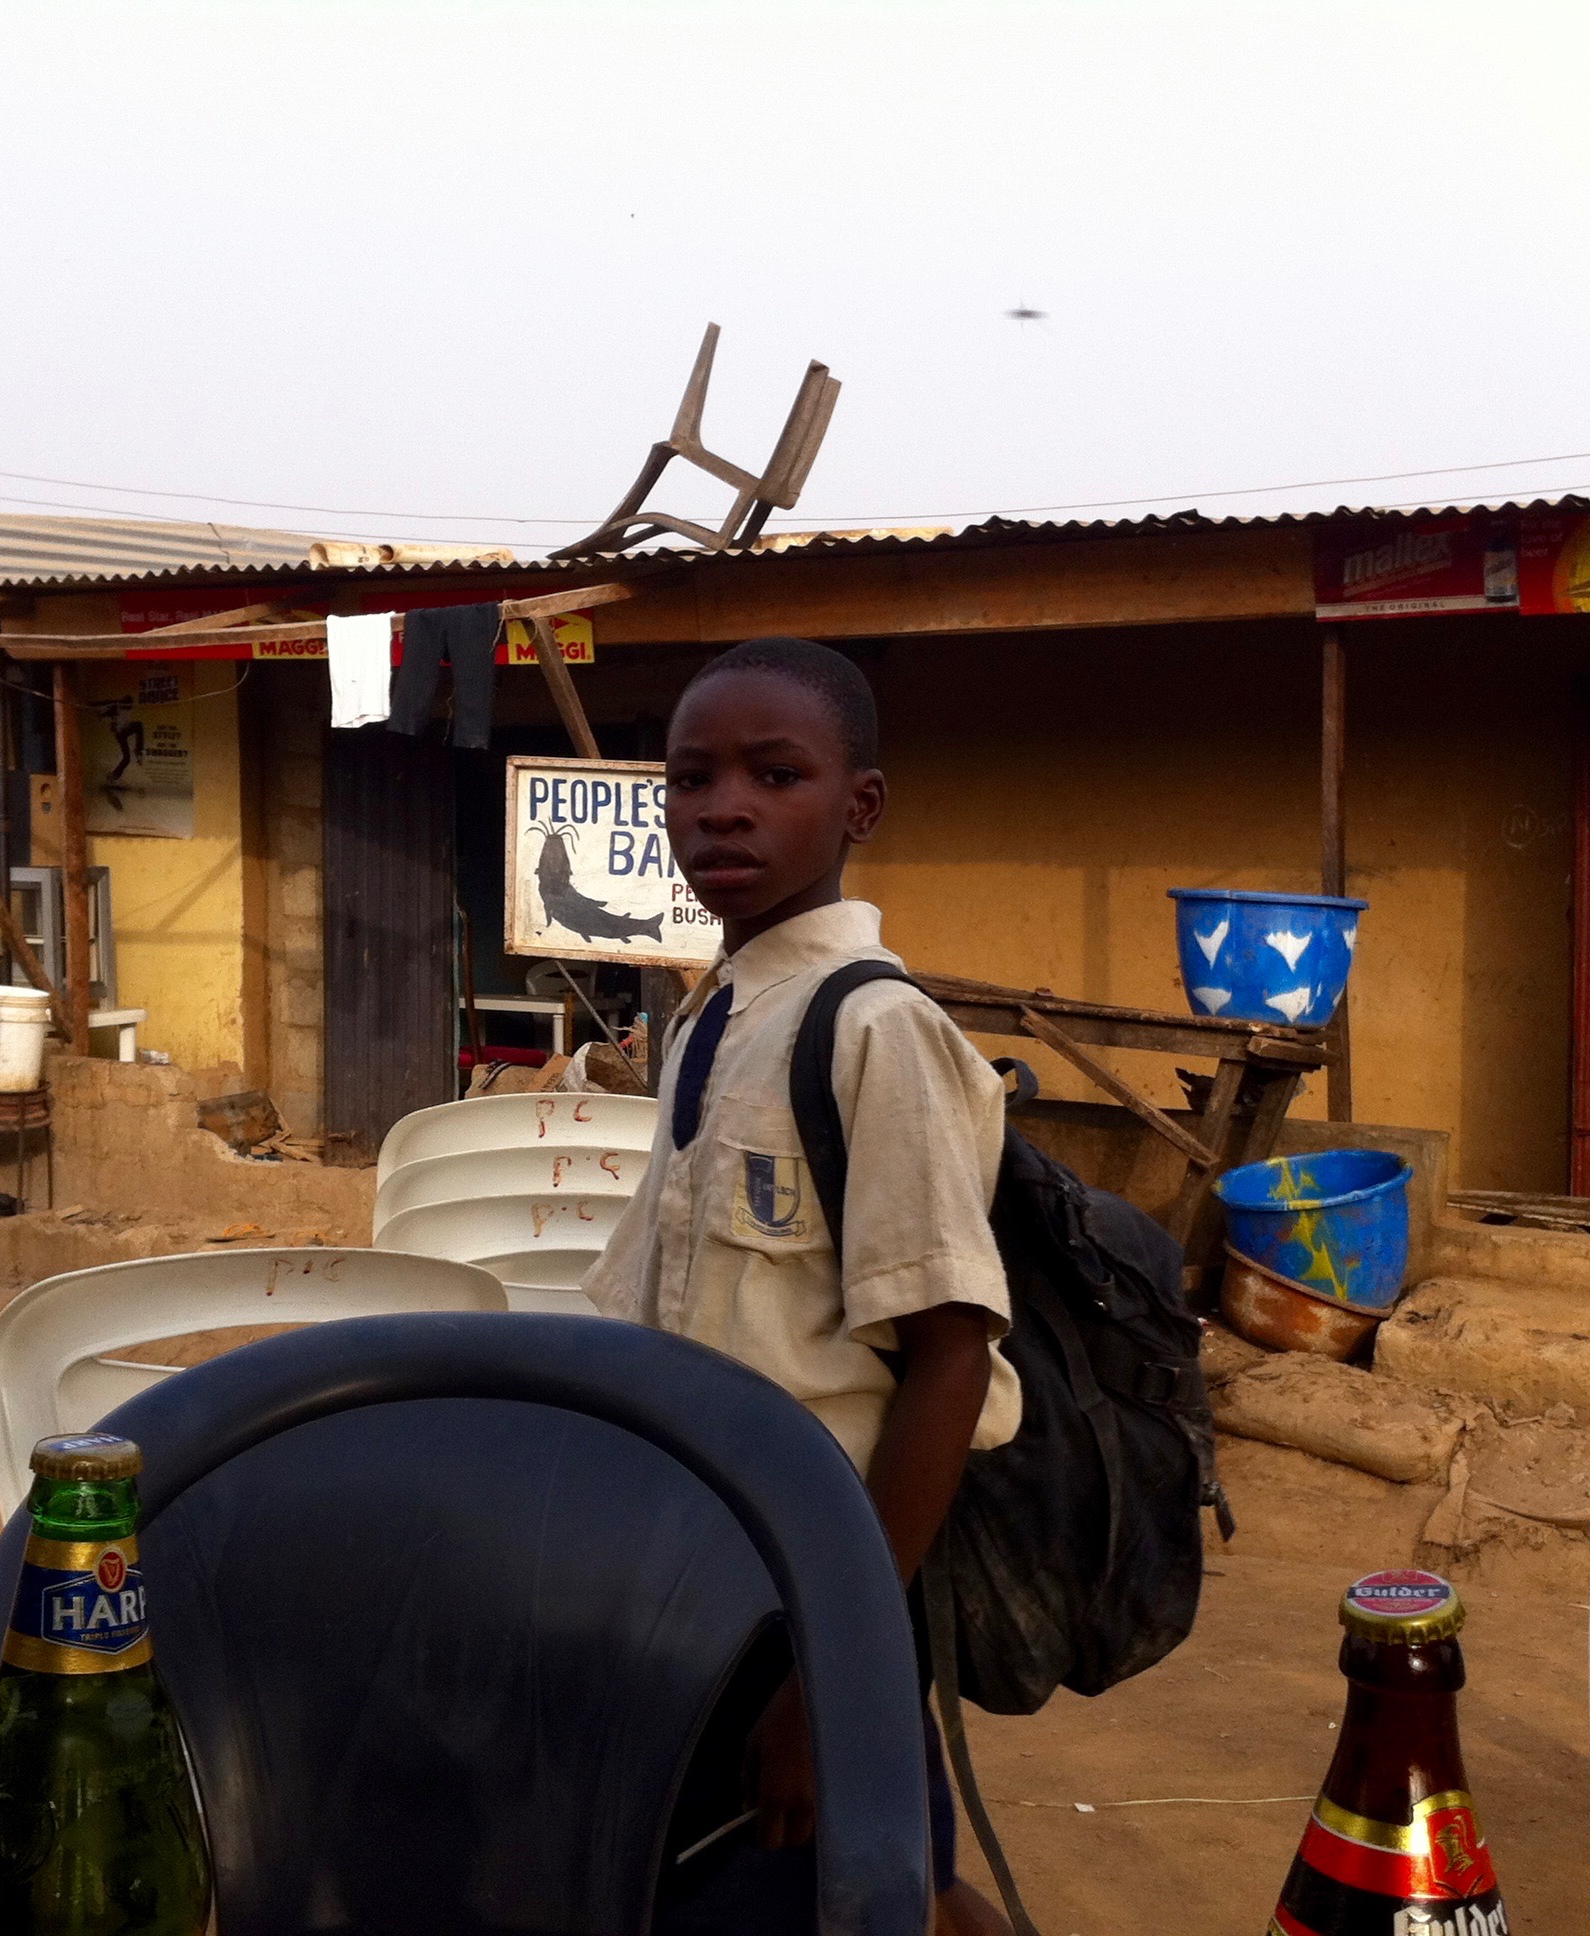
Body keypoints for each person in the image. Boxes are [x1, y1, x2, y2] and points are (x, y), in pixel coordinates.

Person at [583, 635, 1018, 1936]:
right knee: (885, 1882)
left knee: (846, 1879)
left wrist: (835, 1676)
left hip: (816, 1595)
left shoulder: (876, 1032)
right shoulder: (716, 1017)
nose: (723, 806)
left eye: (776, 774)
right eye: (691, 777)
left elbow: (948, 1357)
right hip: (697, 1586)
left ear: (858, 805)